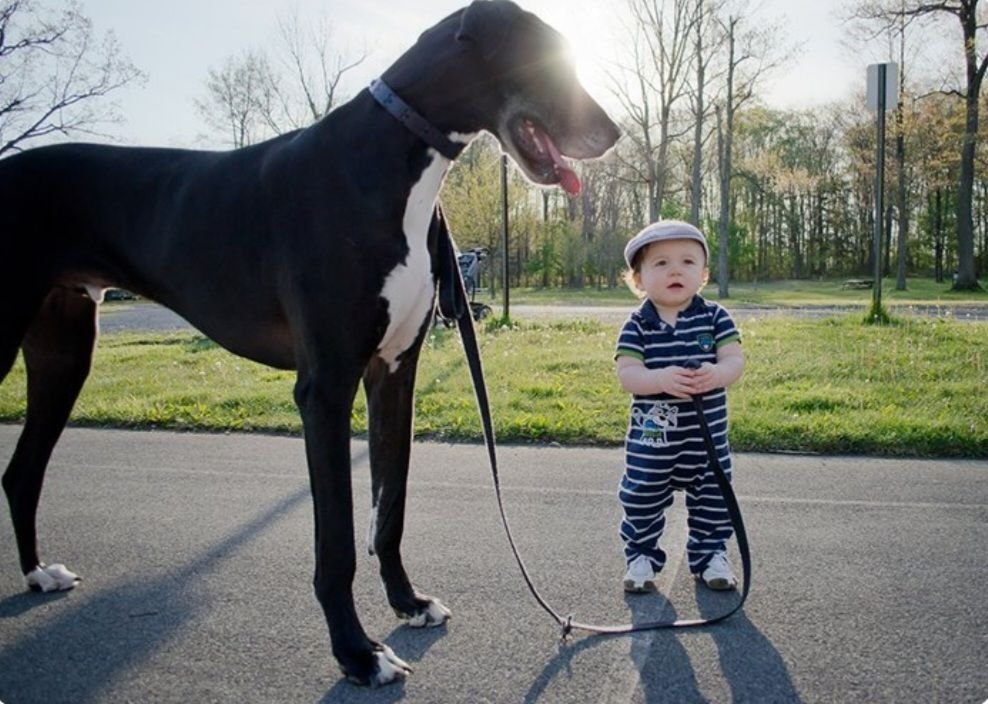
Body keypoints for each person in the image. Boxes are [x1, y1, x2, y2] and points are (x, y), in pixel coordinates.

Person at [614, 220, 745, 593]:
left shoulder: (716, 317)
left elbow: (735, 361)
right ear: (638, 279)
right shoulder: (638, 325)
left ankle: (710, 555)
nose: (675, 270)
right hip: (652, 443)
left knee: (714, 500)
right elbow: (628, 374)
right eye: (660, 263)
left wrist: (718, 374)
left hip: (706, 442)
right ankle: (640, 556)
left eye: (688, 262)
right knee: (641, 498)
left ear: (702, 275)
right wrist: (658, 380)